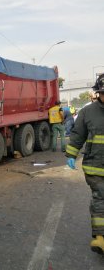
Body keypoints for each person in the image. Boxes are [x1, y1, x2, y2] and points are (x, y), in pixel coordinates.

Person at [66, 74, 104, 254]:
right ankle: (100, 238)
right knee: (101, 197)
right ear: (98, 94)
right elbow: (77, 134)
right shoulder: (88, 112)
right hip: (95, 167)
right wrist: (71, 153)